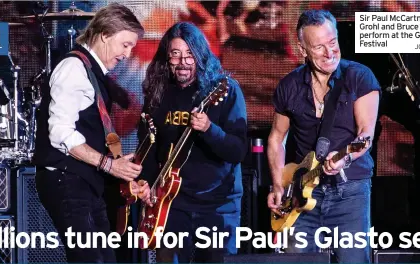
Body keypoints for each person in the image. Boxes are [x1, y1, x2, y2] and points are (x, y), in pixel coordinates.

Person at [33, 3, 149, 263]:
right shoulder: (73, 68)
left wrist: (122, 173)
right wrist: (109, 164)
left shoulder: (93, 73)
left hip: (86, 183)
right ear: (105, 34)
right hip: (66, 182)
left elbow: (100, 133)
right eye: (125, 44)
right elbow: (60, 133)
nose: (128, 54)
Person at [266, 10, 381, 263]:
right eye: (319, 47)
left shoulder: (359, 77)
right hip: (299, 196)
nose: (330, 53)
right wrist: (277, 185)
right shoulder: (289, 86)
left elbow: (366, 134)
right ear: (303, 50)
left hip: (349, 190)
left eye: (333, 43)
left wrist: (346, 159)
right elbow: (276, 139)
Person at [138, 22, 247, 263]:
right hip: (171, 206)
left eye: (190, 55)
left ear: (200, 56)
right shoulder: (158, 92)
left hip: (218, 207)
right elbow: (148, 145)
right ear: (167, 58)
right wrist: (146, 183)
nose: (183, 62)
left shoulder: (225, 90)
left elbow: (238, 151)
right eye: (176, 54)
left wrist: (209, 129)